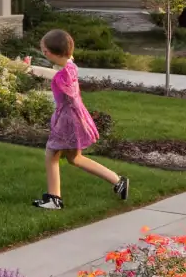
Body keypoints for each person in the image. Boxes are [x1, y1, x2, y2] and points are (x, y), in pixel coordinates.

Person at [32, 28, 129, 210]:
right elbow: (59, 74)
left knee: (51, 154)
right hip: (75, 118)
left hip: (67, 120)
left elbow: (57, 79)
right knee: (74, 158)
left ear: (48, 53)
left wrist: (32, 70)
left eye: (44, 50)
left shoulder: (63, 76)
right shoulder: (70, 66)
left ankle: (54, 199)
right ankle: (118, 181)